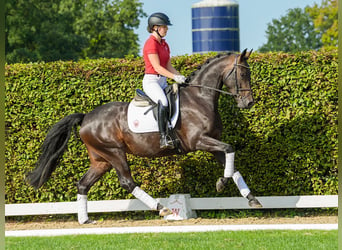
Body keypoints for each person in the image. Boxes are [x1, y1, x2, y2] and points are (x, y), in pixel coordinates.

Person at [143, 12, 186, 149]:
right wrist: (174, 77)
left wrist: (181, 77)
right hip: (152, 81)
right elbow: (157, 67)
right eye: (164, 27)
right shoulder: (151, 44)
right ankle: (163, 138)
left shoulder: (164, 44)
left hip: (163, 81)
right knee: (164, 102)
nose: (166, 29)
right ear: (155, 27)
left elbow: (168, 66)